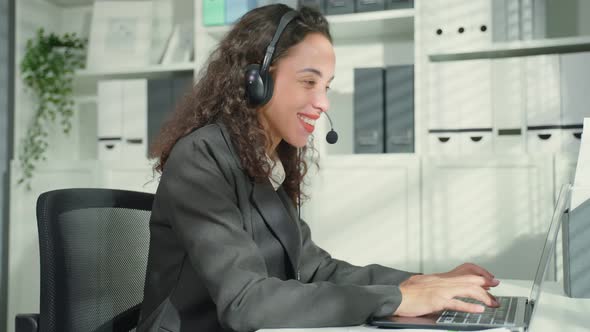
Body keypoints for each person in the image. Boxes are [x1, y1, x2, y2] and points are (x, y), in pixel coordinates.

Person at [137, 4, 500, 332]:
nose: (323, 102)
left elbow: (315, 270)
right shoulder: (202, 156)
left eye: (326, 86)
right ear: (256, 81)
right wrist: (397, 300)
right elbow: (245, 303)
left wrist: (421, 283)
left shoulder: (266, 162)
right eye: (308, 82)